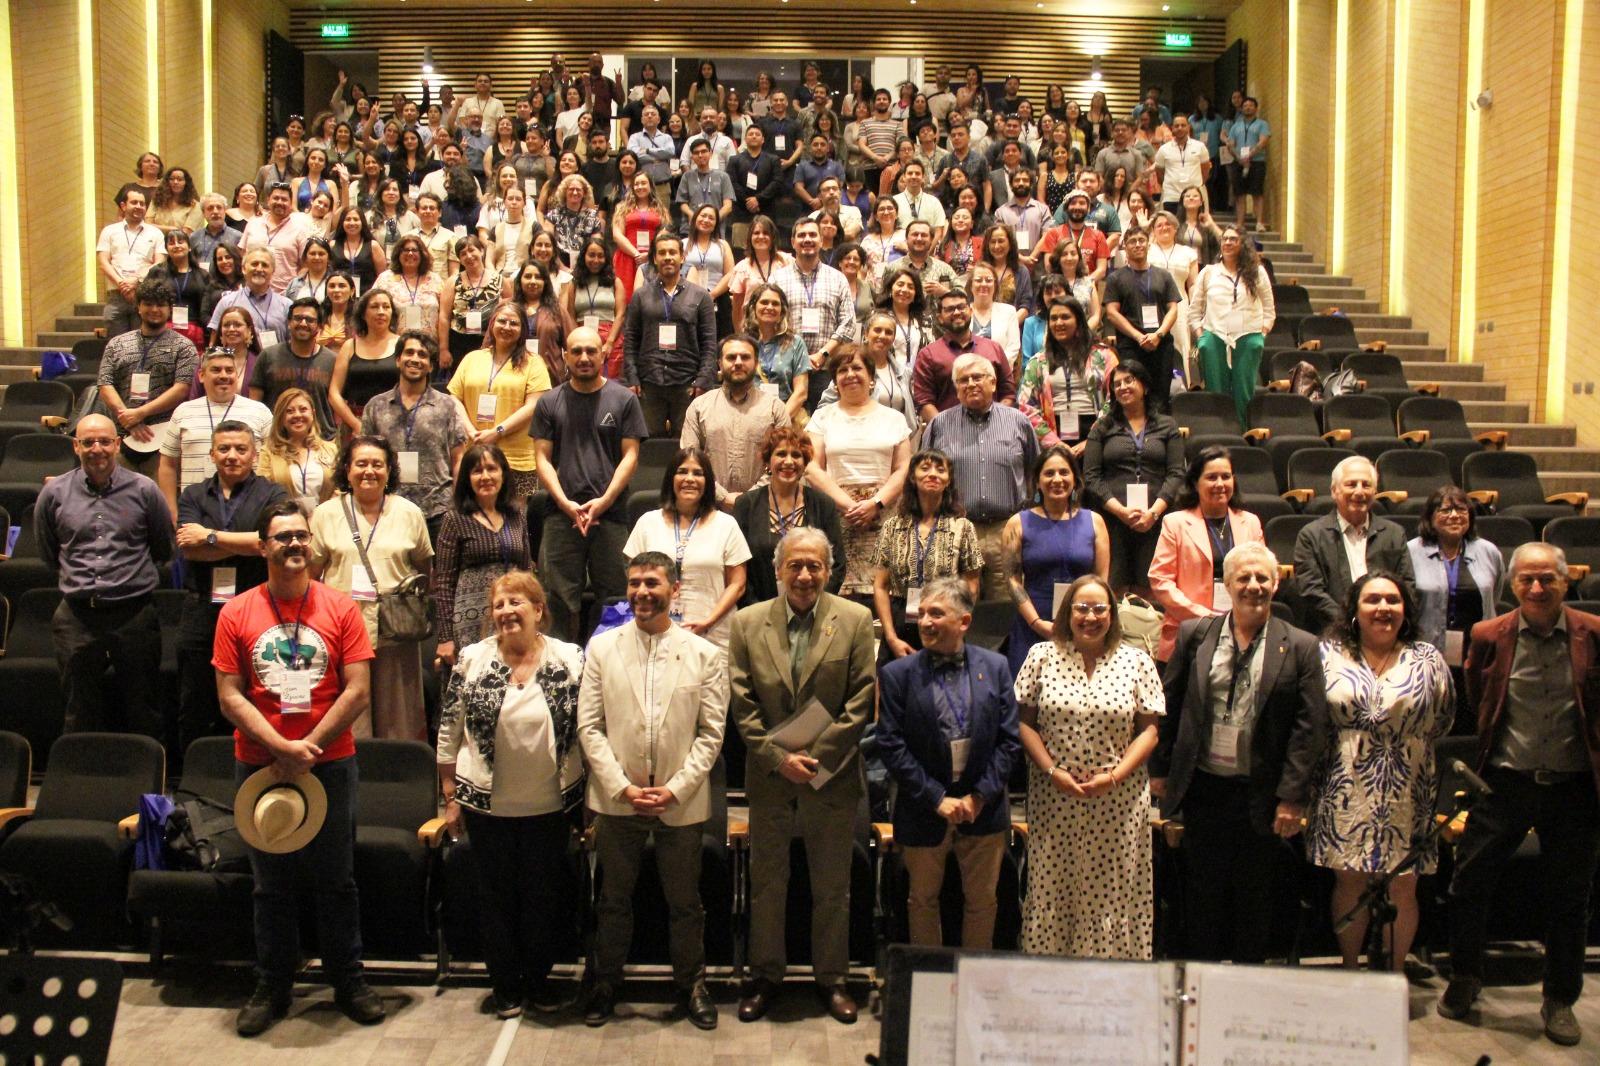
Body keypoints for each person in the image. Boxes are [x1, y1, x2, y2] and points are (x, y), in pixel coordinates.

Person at [213, 500, 385, 1036]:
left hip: (329, 764)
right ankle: (273, 985)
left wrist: (307, 744)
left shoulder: (340, 608)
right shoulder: (235, 612)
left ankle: (348, 980)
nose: (293, 545)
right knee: (271, 885)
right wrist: (279, 747)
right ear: (262, 547)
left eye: (300, 536)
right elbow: (229, 695)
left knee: (338, 881)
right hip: (260, 767)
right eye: (282, 536)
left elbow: (358, 690)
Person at [1439, 544, 1600, 1046]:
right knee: (1469, 883)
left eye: (1546, 579)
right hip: (1505, 781)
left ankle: (1559, 999)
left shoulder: (1593, 634)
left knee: (1569, 899)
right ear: (1511, 585)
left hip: (1573, 786)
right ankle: (1465, 977)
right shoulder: (1488, 635)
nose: (1536, 588)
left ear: (1565, 581)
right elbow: (1477, 696)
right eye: (1527, 580)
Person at [1153, 542, 1327, 963]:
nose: (1254, 586)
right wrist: (1160, 771)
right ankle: (1201, 986)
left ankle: (1246, 988)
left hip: (1262, 794)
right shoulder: (1197, 634)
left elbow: (1309, 727)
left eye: (1262, 578)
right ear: (1227, 585)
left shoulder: (1301, 646)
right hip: (1205, 789)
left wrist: (1291, 796)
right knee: (1202, 897)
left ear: (1276, 583)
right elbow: (1170, 704)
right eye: (1244, 578)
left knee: (1255, 900)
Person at [729, 527, 876, 1024]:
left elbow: (860, 702)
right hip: (770, 778)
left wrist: (814, 757)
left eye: (815, 565)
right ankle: (765, 975)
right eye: (796, 565)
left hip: (831, 777)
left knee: (832, 886)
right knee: (768, 882)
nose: (805, 574)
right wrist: (779, 758)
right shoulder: (747, 623)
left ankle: (831, 979)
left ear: (829, 570)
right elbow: (743, 704)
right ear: (778, 571)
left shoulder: (855, 620)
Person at [577, 552, 729, 1029]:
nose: (642, 592)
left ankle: (692, 984)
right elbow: (589, 727)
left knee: (685, 901)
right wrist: (620, 787)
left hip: (679, 803)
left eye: (652, 583)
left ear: (675, 589)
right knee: (614, 899)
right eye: (635, 583)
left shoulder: (706, 654)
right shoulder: (601, 649)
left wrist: (677, 789)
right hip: (616, 800)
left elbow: (711, 733)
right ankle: (605, 982)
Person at [436, 569, 583, 1019]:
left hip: (551, 803)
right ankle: (505, 985)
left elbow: (589, 726)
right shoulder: (471, 659)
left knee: (542, 895)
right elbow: (448, 727)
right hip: (487, 804)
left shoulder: (570, 658)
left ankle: (538, 981)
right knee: (495, 896)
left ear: (539, 610)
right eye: (499, 605)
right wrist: (448, 791)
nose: (505, 612)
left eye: (515, 602)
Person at [1306, 570, 1452, 970]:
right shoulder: (1327, 653)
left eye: (1393, 600)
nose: (1383, 608)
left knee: (1404, 887)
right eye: (1373, 600)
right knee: (1349, 883)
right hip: (1344, 784)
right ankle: (1352, 970)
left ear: (1406, 610)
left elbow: (1444, 717)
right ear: (1354, 609)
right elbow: (1312, 717)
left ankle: (1394, 973)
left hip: (1409, 787)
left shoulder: (1427, 658)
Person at [1015, 573, 1164, 958]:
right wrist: (1051, 770)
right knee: (1053, 885)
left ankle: (1111, 984)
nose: (1090, 617)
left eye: (1100, 608)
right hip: (1054, 795)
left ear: (1113, 615)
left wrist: (1114, 777)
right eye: (1082, 608)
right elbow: (1024, 724)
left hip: (1120, 798)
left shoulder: (1137, 661)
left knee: (1112, 890)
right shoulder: (1040, 657)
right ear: (1068, 612)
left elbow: (1149, 732)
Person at [876, 577, 1021, 947]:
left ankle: (974, 987)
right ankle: (929, 988)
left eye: (936, 614)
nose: (924, 622)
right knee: (921, 901)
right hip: (923, 808)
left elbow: (1009, 740)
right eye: (922, 613)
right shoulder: (897, 674)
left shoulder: (997, 666)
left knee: (982, 903)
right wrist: (935, 797)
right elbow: (890, 745)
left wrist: (979, 797)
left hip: (982, 809)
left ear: (964, 622)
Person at [35, 414, 174, 737]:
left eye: (104, 441)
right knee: (78, 710)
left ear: (118, 443)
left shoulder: (145, 490)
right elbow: (48, 551)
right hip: (77, 617)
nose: (96, 449)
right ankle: (79, 781)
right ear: (76, 446)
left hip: (134, 615)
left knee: (143, 707)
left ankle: (146, 780)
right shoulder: (54, 493)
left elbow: (162, 547)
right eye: (88, 442)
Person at [309, 436, 434, 741]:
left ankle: (397, 783)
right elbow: (312, 575)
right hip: (343, 631)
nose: (369, 471)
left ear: (389, 470)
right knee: (351, 718)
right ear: (347, 470)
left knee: (400, 720)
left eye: (377, 464)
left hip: (397, 630)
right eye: (361, 464)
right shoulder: (325, 514)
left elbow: (424, 569)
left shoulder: (409, 512)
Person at [174, 421, 288, 754]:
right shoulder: (193, 494)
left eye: (240, 449)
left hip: (256, 609)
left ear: (254, 454)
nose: (232, 456)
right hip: (201, 611)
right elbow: (188, 547)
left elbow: (270, 541)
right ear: (212, 453)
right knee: (195, 699)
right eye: (224, 449)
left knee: (253, 696)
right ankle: (194, 778)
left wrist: (211, 537)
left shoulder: (272, 493)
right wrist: (246, 542)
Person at [532, 327, 648, 642]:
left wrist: (604, 502)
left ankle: (608, 666)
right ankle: (558, 671)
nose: (584, 358)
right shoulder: (549, 402)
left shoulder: (623, 399)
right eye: (577, 351)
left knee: (615, 598)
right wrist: (565, 504)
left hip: (610, 516)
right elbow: (541, 459)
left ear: (603, 354)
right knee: (555, 599)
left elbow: (631, 456)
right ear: (565, 356)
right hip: (561, 516)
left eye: (591, 351)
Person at [924, 354, 1040, 603]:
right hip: (956, 530)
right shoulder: (938, 425)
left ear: (993, 383)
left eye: (977, 377)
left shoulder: (1018, 422)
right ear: (956, 388)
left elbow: (1035, 473)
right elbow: (923, 479)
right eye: (963, 380)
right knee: (958, 607)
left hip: (1006, 530)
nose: (971, 384)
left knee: (1007, 605)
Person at [806, 345, 914, 598]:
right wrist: (849, 506)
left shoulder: (893, 419)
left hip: (884, 516)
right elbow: (812, 468)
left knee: (886, 594)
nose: (850, 374)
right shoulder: (822, 417)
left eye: (857, 368)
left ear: (871, 377)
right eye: (842, 370)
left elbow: (903, 468)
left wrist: (875, 504)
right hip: (836, 516)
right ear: (835, 381)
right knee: (837, 596)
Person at [623, 448, 752, 649]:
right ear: (671, 479)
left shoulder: (726, 525)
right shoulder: (647, 522)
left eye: (698, 473)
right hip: (656, 632)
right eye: (682, 471)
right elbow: (634, 577)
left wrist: (708, 620)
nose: (689, 479)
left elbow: (738, 584)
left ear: (708, 482)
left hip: (713, 634)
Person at [1148, 447, 1268, 662]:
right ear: (1195, 483)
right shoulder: (1175, 523)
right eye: (1212, 477)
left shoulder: (1250, 522)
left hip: (1242, 629)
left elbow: (1265, 573)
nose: (1220, 484)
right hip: (1190, 630)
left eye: (1226, 476)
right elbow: (1160, 579)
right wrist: (1202, 616)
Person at [1003, 444, 1108, 675]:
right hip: (1032, 622)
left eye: (1064, 472)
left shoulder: (1095, 521)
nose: (1057, 479)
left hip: (1084, 623)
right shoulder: (1017, 523)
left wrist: (1087, 620)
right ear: (1038, 482)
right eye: (1049, 473)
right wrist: (1037, 624)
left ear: (1075, 479)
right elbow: (1012, 581)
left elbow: (1102, 581)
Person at [1083, 359, 1186, 595]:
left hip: (1156, 520)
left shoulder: (1167, 426)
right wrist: (1121, 511)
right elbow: (1091, 477)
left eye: (1129, 380)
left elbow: (1176, 473)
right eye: (1117, 384)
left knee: (1152, 589)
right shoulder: (1103, 427)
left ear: (1145, 386)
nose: (1122, 387)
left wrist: (1154, 513)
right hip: (1112, 520)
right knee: (1112, 587)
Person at [360, 331, 473, 544]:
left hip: (438, 510)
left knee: (439, 575)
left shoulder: (446, 406)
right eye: (409, 352)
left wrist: (457, 507)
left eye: (422, 355)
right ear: (398, 360)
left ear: (431, 366)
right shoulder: (376, 406)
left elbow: (458, 460)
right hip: (387, 508)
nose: (415, 359)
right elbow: (362, 455)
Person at [431, 444, 535, 670]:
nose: (485, 476)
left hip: (512, 615)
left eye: (491, 468)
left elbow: (527, 573)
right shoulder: (454, 519)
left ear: (503, 474)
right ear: (467, 478)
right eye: (477, 471)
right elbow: (444, 583)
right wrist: (445, 637)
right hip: (469, 622)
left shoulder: (516, 515)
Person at [872, 448, 982, 659]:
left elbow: (972, 583)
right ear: (913, 477)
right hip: (900, 621)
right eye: (925, 468)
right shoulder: (892, 527)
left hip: (945, 621)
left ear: (948, 480)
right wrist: (891, 637)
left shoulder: (962, 527)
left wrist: (956, 625)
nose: (933, 474)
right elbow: (881, 585)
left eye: (940, 470)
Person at [1293, 455, 1418, 633]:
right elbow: (1311, 592)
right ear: (1334, 491)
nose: (1359, 492)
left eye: (1366, 485)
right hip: (1331, 633)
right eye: (1351, 484)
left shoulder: (1394, 534)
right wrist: (1354, 623)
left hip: (1384, 632)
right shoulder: (1311, 535)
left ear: (1375, 492)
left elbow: (1406, 586)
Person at [732, 426, 847, 605]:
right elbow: (737, 568)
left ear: (805, 461)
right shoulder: (745, 505)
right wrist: (759, 613)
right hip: (759, 614)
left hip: (813, 612)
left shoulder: (823, 505)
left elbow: (837, 565)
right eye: (781, 454)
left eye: (796, 455)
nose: (788, 461)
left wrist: (813, 606)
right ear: (767, 461)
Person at [448, 302, 552, 499]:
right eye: (502, 321)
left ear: (522, 330)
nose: (506, 327)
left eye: (514, 323)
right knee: (477, 520)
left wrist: (497, 432)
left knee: (516, 523)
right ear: (492, 324)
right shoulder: (472, 358)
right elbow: (454, 397)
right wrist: (471, 431)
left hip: (516, 458)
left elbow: (534, 405)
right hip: (475, 454)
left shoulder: (534, 362)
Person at [96, 278, 199, 476]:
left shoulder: (183, 346)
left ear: (169, 309)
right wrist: (128, 418)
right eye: (148, 304)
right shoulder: (117, 344)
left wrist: (140, 413)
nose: (154, 309)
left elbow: (182, 388)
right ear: (138, 307)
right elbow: (105, 384)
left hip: (164, 441)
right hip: (121, 437)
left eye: (161, 305)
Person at [622, 232, 719, 437]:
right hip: (649, 383)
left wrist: (702, 380)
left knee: (687, 447)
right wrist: (632, 377)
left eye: (673, 252)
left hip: (688, 384)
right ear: (655, 258)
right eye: (662, 253)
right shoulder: (641, 296)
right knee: (648, 449)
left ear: (682, 257)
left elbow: (710, 343)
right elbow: (630, 339)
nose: (668, 257)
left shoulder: (701, 296)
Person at [157, 346, 273, 515]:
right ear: (201, 376)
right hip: (195, 510)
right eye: (216, 370)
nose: (224, 376)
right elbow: (167, 465)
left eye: (229, 370)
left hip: (248, 509)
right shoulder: (183, 411)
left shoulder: (259, 411)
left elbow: (272, 461)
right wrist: (172, 510)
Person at [680, 334, 789, 510]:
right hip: (709, 508)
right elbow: (689, 460)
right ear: (719, 363)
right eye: (731, 357)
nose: (738, 362)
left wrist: (750, 498)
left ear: (756, 363)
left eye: (745, 357)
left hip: (763, 508)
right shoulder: (699, 407)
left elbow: (784, 460)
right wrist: (721, 496)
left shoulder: (775, 408)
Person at [1189, 225, 1275, 427]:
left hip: (1247, 336)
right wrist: (1202, 337)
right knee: (1216, 392)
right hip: (1215, 337)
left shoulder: (1257, 272)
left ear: (1242, 244)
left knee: (1243, 392)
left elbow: (1269, 310)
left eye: (1233, 239)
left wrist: (1261, 335)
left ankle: (1242, 434)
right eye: (1225, 239)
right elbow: (1194, 311)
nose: (1227, 242)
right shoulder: (1209, 272)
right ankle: (1218, 432)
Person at [1017, 296, 1113, 452]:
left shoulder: (1104, 356)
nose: (1059, 323)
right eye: (1053, 318)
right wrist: (1054, 443)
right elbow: (1025, 406)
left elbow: (1115, 400)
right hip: (1053, 434)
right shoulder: (1038, 362)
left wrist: (1094, 439)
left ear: (1079, 321)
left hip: (1097, 434)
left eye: (1065, 317)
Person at [1103, 226, 1182, 410]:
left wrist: (1159, 334)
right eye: (1132, 241)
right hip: (1131, 345)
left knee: (1161, 398)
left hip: (1161, 344)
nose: (1137, 244)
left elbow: (1173, 309)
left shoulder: (1164, 275)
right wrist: (1138, 336)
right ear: (1125, 247)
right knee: (1133, 396)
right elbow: (1112, 313)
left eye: (1141, 240)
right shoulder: (1115, 278)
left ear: (1148, 245)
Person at [771, 218, 858, 370]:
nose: (807, 239)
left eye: (812, 235)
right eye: (802, 235)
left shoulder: (837, 278)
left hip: (827, 366)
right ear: (792, 242)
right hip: (786, 367)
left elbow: (848, 323)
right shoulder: (777, 279)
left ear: (821, 240)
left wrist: (823, 353)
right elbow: (769, 321)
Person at [912, 289, 1014, 420]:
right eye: (949, 309)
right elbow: (923, 401)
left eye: (961, 307)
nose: (956, 313)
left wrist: (996, 422)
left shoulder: (993, 348)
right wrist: (946, 430)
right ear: (940, 318)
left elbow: (1008, 393)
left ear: (971, 311)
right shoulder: (928, 355)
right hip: (948, 436)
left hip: (993, 433)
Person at [249, 297, 340, 439]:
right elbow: (255, 404)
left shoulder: (332, 361)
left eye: (310, 320)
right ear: (289, 323)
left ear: (319, 326)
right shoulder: (268, 356)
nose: (303, 323)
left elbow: (338, 405)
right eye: (298, 318)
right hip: (276, 441)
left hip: (321, 441)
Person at [98, 185, 167, 337]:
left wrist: (136, 281)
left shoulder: (155, 233)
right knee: (116, 346)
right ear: (123, 206)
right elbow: (103, 261)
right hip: (116, 295)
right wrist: (122, 284)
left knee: (143, 344)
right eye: (134, 202)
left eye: (142, 204)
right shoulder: (109, 231)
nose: (139, 206)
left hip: (144, 295)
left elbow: (160, 262)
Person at [257, 388, 339, 513]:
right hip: (285, 523)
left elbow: (340, 488)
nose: (297, 415)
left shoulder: (331, 449)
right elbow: (263, 492)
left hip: (326, 520)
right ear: (281, 418)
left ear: (313, 413)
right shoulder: (268, 452)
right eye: (289, 411)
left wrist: (321, 515)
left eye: (303, 409)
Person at [244, 182, 318, 294]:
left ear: (290, 203)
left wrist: (294, 289)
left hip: (284, 296)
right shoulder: (253, 223)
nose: (279, 202)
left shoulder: (300, 230)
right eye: (276, 198)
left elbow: (306, 265)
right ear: (268, 200)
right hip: (250, 292)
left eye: (284, 199)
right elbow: (243, 254)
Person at [726, 125, 785, 251]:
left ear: (763, 139)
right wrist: (748, 201)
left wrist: (758, 199)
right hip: (741, 213)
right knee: (740, 253)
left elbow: (777, 182)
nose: (753, 136)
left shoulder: (773, 160)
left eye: (757, 134)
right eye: (750, 134)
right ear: (745, 139)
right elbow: (732, 183)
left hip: (766, 211)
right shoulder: (734, 160)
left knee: (767, 251)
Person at [1224, 96, 1271, 231]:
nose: (1247, 108)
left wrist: (1250, 154)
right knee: (1239, 194)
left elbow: (1263, 141)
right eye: (1245, 106)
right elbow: (1231, 143)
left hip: (1257, 162)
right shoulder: (1236, 126)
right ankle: (1240, 223)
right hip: (1238, 162)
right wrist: (1238, 156)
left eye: (1250, 105)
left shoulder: (1262, 124)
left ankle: (1259, 222)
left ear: (1256, 108)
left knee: (1257, 192)